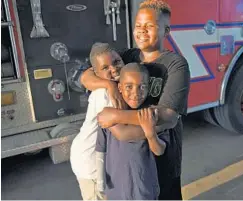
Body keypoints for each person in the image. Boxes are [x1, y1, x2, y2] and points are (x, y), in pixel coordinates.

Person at [81, 0, 191, 199]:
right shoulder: (128, 57)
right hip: (130, 160)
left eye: (150, 26)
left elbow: (168, 115)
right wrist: (110, 85)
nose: (142, 31)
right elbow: (86, 76)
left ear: (166, 30)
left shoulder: (176, 65)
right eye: (138, 25)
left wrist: (116, 116)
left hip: (162, 157)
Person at [95, 63, 169, 200]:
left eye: (142, 87)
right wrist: (100, 181)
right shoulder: (110, 116)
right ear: (120, 88)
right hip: (115, 190)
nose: (136, 93)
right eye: (129, 87)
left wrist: (150, 134)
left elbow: (159, 150)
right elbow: (101, 148)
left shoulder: (151, 113)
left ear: (148, 88)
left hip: (144, 189)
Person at [69, 42, 124, 200]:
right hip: (91, 162)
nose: (113, 69)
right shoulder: (104, 94)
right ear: (96, 72)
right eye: (105, 68)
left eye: (117, 62)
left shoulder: (113, 86)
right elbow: (120, 130)